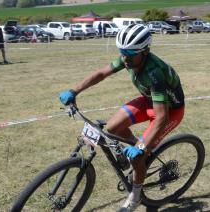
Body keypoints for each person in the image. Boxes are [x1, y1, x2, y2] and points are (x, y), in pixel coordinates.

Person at [59, 24, 185, 211]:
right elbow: (101, 73)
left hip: (169, 112)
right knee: (111, 128)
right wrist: (74, 90)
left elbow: (162, 118)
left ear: (145, 51)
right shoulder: (130, 58)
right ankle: (138, 152)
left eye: (130, 53)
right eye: (122, 52)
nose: (125, 58)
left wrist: (141, 148)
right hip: (150, 100)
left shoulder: (155, 73)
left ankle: (135, 197)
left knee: (138, 157)